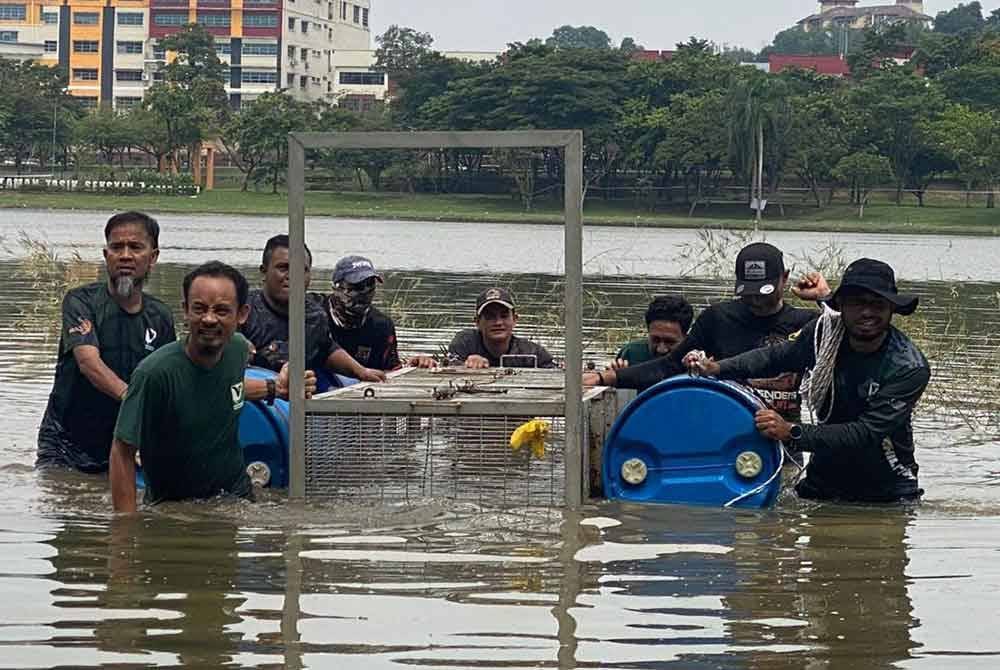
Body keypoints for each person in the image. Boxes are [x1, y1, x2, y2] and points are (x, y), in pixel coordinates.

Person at [688, 259, 930, 503]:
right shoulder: (823, 334)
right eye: (857, 303)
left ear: (891, 309)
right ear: (841, 306)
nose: (867, 313)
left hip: (886, 491)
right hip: (822, 480)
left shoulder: (908, 367)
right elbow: (777, 356)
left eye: (877, 305)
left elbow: (864, 434)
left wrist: (790, 431)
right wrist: (718, 368)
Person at [110, 261, 317, 512]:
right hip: (175, 507)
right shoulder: (154, 374)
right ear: (185, 311)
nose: (209, 319)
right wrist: (123, 533)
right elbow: (122, 451)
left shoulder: (237, 350)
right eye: (199, 309)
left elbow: (224, 388)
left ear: (242, 314)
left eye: (221, 310)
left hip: (235, 498)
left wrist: (278, 389)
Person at [586, 242, 830, 425]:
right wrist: (604, 378)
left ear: (784, 278)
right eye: (749, 292)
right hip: (728, 432)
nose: (755, 300)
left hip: (785, 437)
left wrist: (824, 298)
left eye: (764, 292)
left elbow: (847, 340)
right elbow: (668, 366)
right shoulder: (718, 319)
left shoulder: (807, 322)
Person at [36, 211, 176, 473]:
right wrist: (133, 398)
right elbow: (89, 363)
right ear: (106, 255)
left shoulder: (161, 317)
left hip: (121, 441)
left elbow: (166, 381)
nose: (125, 255)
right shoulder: (80, 302)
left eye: (135, 247)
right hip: (64, 444)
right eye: (116, 247)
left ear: (153, 257)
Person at [240, 235, 385, 383]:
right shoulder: (241, 311)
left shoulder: (315, 315)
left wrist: (361, 371)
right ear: (264, 271)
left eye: (301, 269)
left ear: (310, 275)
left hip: (300, 392)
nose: (293, 276)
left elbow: (326, 349)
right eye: (283, 268)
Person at [321, 255, 436, 371]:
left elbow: (391, 370)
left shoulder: (382, 326)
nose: (365, 291)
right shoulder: (313, 313)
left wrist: (414, 364)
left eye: (370, 284)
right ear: (336, 288)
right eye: (358, 286)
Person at [448, 287, 556, 369]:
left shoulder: (532, 352)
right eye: (490, 317)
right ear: (477, 322)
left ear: (515, 319)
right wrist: (466, 365)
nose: (498, 322)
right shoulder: (464, 343)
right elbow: (448, 366)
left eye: (504, 316)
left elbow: (555, 372)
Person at [612, 295, 694, 369]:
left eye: (670, 342)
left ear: (685, 338)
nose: (661, 349)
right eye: (655, 340)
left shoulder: (697, 358)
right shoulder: (631, 354)